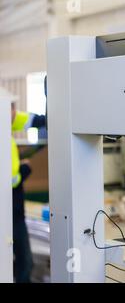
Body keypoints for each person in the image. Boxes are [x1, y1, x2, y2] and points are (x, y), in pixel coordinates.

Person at [0, 86, 46, 283]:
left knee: (23, 260)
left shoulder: (8, 122)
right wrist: (24, 170)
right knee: (22, 260)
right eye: (9, 108)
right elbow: (8, 179)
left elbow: (36, 120)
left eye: (13, 107)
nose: (14, 113)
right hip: (7, 207)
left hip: (15, 206)